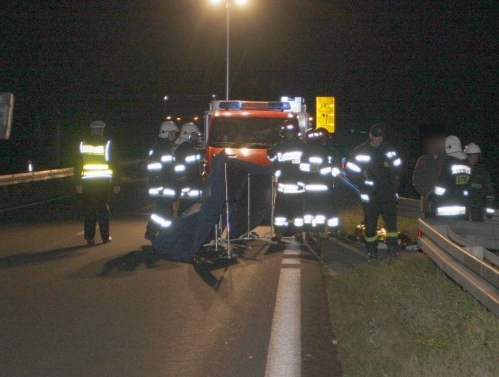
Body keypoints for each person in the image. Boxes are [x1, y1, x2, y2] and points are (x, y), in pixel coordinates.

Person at [345, 123, 402, 261]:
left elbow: (398, 168)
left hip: (387, 193)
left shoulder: (389, 151)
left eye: (381, 136)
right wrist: (362, 183)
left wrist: (395, 183)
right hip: (370, 194)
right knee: (370, 225)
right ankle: (371, 250)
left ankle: (393, 250)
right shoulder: (360, 151)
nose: (379, 139)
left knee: (392, 225)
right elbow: (350, 169)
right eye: (376, 136)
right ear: (370, 135)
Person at [75, 120, 120, 245]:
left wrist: (77, 183)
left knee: (89, 210)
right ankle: (105, 237)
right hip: (103, 182)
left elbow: (78, 165)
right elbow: (114, 165)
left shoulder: (82, 144)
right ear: (101, 130)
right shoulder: (107, 144)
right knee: (103, 210)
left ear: (91, 130)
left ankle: (89, 238)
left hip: (87, 182)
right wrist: (117, 183)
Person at [268, 117, 307, 238]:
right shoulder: (278, 147)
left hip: (297, 186)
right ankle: (279, 233)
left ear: (295, 133)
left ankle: (299, 233)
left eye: (290, 132)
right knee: (280, 214)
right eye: (286, 132)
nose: (288, 134)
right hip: (283, 187)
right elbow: (270, 159)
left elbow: (307, 165)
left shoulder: (303, 147)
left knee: (298, 214)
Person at [301, 127, 340, 234]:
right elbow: (305, 168)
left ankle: (325, 230)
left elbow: (337, 167)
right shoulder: (320, 151)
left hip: (319, 186)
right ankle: (318, 230)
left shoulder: (329, 151)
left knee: (321, 209)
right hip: (322, 186)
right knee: (321, 209)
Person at [145, 121, 179, 240]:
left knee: (165, 211)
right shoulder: (162, 148)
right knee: (164, 211)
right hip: (162, 187)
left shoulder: (162, 147)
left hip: (163, 186)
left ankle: (163, 234)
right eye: (172, 133)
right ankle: (153, 230)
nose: (174, 136)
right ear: (166, 133)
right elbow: (162, 170)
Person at [432, 135, 471, 218]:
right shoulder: (466, 164)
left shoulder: (448, 164)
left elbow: (441, 186)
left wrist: (434, 197)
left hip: (446, 207)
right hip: (463, 208)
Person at [412, 133, 447, 217]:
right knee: (427, 227)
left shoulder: (446, 160)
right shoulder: (423, 160)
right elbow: (416, 179)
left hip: (443, 203)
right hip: (427, 202)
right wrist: (426, 193)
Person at [172, 122, 203, 216]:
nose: (195, 136)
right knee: (186, 209)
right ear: (188, 134)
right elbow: (180, 167)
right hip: (189, 185)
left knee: (186, 208)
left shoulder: (184, 146)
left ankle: (181, 228)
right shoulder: (186, 147)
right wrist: (184, 184)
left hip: (188, 184)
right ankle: (180, 228)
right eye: (194, 134)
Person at [464, 142, 495, 221]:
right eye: (471, 157)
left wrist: (490, 209)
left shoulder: (482, 172)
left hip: (477, 206)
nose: (474, 159)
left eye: (476, 157)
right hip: (462, 205)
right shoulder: (460, 169)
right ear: (467, 157)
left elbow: (489, 191)